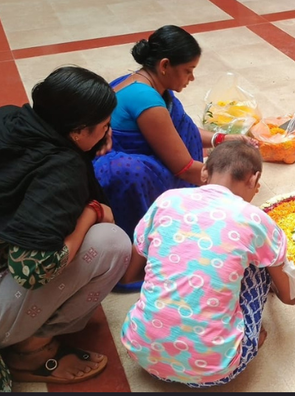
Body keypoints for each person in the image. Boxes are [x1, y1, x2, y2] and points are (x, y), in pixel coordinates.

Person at [0, 65, 131, 391]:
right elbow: (32, 271)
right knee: (111, 242)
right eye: (105, 125)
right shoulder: (62, 168)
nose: (109, 131)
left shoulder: (4, 118)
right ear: (78, 132)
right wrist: (90, 213)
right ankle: (30, 350)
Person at [118, 141, 295, 387]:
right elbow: (290, 297)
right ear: (254, 179)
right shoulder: (254, 219)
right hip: (215, 372)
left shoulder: (166, 201)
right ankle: (249, 341)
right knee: (260, 262)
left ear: (204, 172)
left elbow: (129, 275)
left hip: (141, 353)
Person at [93, 25, 220, 251]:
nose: (192, 78)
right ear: (164, 65)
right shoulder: (146, 99)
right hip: (124, 176)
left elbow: (177, 131)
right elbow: (185, 168)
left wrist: (221, 139)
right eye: (188, 70)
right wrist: (229, 183)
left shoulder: (140, 81)